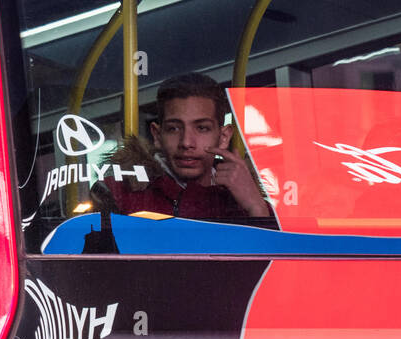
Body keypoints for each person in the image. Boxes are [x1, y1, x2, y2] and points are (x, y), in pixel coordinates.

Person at [104, 72, 276, 226]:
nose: (186, 142)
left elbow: (276, 260)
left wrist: (256, 207)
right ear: (157, 136)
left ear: (224, 137)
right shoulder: (117, 194)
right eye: (174, 128)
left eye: (202, 128)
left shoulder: (245, 197)